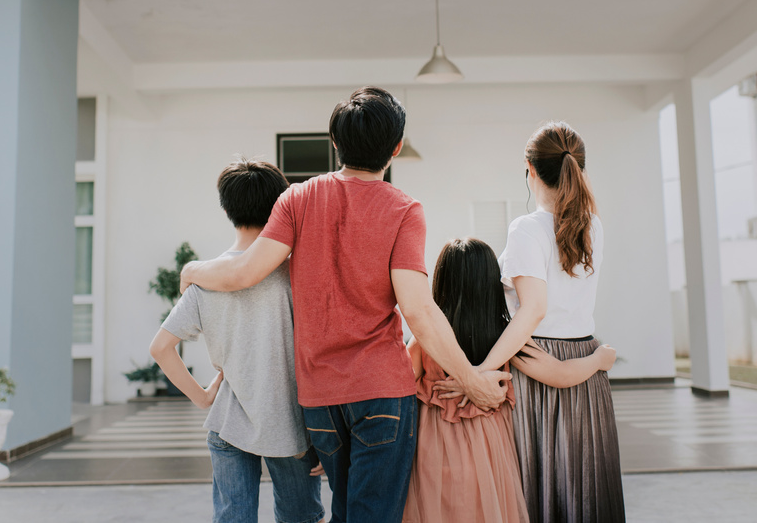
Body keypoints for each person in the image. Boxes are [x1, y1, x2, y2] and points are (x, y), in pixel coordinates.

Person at [180, 86, 509, 523]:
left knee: (345, 510)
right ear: (395, 148)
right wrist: (471, 380)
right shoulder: (404, 209)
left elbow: (243, 273)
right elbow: (418, 309)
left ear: (335, 142)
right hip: (381, 392)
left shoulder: (296, 199)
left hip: (319, 399)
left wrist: (192, 270)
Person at [463, 121, 625, 522]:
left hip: (538, 361)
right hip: (585, 360)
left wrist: (480, 370)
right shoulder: (594, 224)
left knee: (539, 484)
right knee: (584, 483)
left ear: (529, 169)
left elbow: (532, 310)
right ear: (579, 170)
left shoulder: (526, 228)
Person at [149, 158, 324, 523]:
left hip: (228, 421)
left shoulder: (206, 279)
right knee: (300, 518)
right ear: (280, 204)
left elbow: (160, 348)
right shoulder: (296, 274)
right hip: (291, 428)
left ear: (227, 208)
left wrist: (202, 397)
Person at [404, 238, 617, 523]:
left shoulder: (424, 342)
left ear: (442, 281)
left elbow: (396, 390)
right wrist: (599, 360)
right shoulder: (505, 339)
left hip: (433, 451)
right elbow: (560, 374)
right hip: (491, 456)